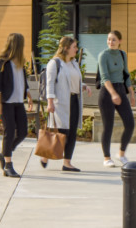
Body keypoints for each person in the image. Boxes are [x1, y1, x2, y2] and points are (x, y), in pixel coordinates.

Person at [41, 35, 82, 172]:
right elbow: (50, 83)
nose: (76, 49)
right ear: (66, 48)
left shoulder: (74, 63)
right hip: (61, 102)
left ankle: (67, 163)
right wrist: (50, 102)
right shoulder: (55, 63)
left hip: (74, 100)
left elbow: (74, 80)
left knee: (72, 132)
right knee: (62, 131)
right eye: (74, 47)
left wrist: (84, 86)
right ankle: (45, 154)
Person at [0, 32, 30, 178]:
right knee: (9, 132)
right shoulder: (2, 62)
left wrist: (28, 94)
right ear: (17, 45)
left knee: (23, 132)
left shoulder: (20, 62)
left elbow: (23, 81)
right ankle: (8, 165)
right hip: (6, 102)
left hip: (18, 102)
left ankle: (4, 153)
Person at [97, 30, 135, 168]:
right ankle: (107, 158)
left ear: (120, 41)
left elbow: (126, 74)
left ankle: (121, 154)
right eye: (108, 39)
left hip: (120, 90)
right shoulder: (103, 55)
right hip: (107, 93)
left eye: (113, 40)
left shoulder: (122, 54)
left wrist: (131, 93)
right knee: (108, 126)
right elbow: (105, 77)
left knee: (130, 123)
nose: (110, 42)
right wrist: (113, 94)